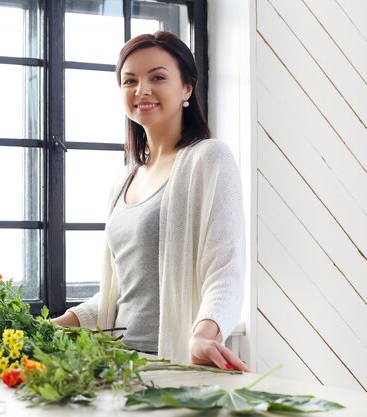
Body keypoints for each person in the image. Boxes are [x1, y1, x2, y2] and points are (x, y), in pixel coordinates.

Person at [53, 31, 249, 372]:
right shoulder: (125, 178)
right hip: (115, 364)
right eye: (130, 81)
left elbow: (226, 269)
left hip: (173, 364)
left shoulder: (209, 158)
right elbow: (123, 292)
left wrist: (205, 334)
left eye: (157, 77)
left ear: (187, 87)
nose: (141, 90)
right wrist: (52, 325)